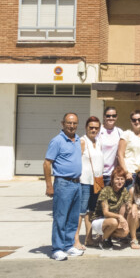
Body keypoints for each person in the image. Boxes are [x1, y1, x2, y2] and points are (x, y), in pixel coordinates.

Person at [44, 112, 84, 261]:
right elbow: (47, 163)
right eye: (69, 123)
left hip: (76, 183)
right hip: (63, 183)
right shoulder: (57, 141)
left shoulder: (78, 139)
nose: (72, 126)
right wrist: (49, 185)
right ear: (63, 124)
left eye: (74, 123)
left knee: (73, 218)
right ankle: (57, 248)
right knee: (60, 217)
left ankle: (68, 245)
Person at [74, 116, 103, 250]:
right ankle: (75, 240)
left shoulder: (98, 142)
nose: (93, 130)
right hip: (84, 181)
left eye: (96, 128)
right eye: (91, 127)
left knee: (91, 211)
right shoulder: (82, 141)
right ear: (86, 127)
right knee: (80, 212)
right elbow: (75, 161)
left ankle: (89, 238)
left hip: (96, 182)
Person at [90, 166, 130, 250]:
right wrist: (120, 217)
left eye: (122, 179)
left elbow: (128, 204)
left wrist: (134, 209)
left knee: (125, 232)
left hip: (112, 221)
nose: (120, 182)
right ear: (112, 180)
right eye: (117, 179)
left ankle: (107, 236)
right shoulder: (106, 190)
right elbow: (105, 213)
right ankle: (104, 240)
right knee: (114, 222)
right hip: (99, 220)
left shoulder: (124, 191)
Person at [117, 110, 140, 189]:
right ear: (131, 121)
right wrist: (126, 172)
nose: (137, 122)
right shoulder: (126, 134)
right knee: (129, 200)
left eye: (139, 119)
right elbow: (120, 155)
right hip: (130, 174)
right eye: (134, 120)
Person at [98, 107, 123, 186]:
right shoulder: (98, 131)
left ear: (116, 117)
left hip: (111, 174)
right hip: (98, 174)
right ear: (104, 116)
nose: (111, 118)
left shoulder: (119, 132)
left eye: (113, 116)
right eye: (108, 116)